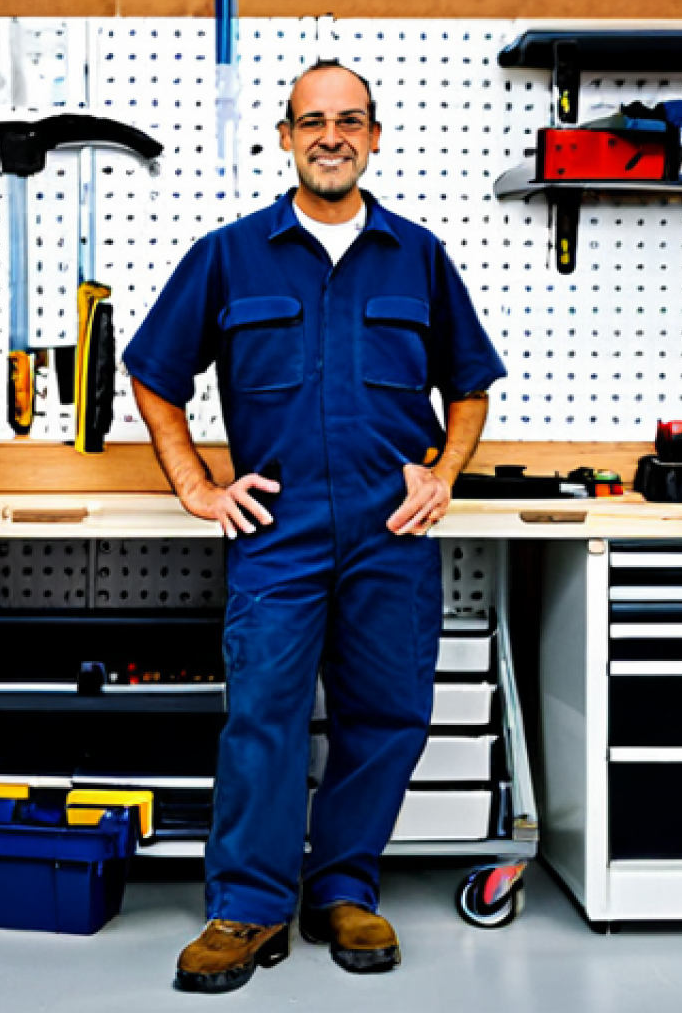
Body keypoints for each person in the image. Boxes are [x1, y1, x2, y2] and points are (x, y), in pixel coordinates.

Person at [122, 60, 507, 994]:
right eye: (312, 121)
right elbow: (155, 374)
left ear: (374, 138)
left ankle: (342, 887)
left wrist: (444, 474)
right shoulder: (230, 253)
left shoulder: (416, 254)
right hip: (279, 530)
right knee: (264, 717)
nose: (331, 136)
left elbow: (468, 386)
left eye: (350, 121)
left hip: (393, 531)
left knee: (387, 716)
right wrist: (196, 484)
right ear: (286, 138)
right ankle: (248, 908)